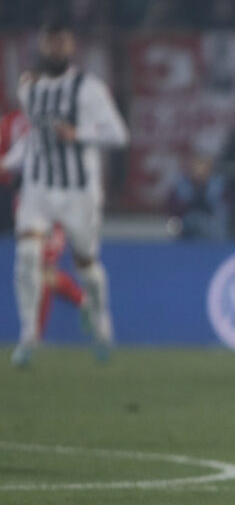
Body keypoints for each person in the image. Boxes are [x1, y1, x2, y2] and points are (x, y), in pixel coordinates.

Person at [10, 20, 129, 366]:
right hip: (38, 187)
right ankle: (28, 335)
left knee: (87, 266)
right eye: (51, 42)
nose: (56, 48)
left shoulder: (88, 88)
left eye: (62, 42)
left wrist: (79, 134)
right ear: (42, 45)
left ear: (72, 46)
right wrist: (7, 161)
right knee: (27, 256)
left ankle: (101, 320)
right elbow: (33, 138)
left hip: (79, 193)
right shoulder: (29, 87)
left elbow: (118, 134)